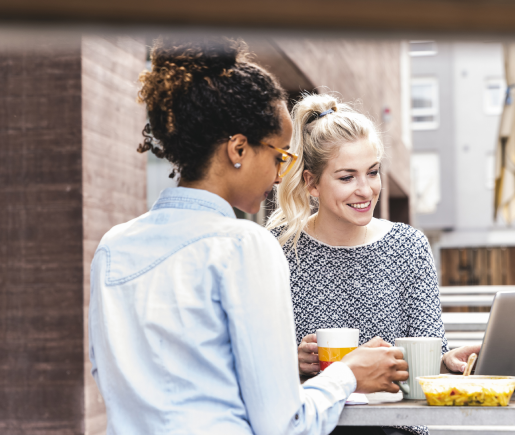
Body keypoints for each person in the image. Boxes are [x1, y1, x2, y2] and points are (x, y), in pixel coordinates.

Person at [88, 37, 409, 435]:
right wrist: (347, 373)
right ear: (238, 149)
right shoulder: (244, 245)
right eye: (279, 155)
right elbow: (284, 425)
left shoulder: (112, 247)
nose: (280, 175)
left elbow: (127, 378)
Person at [267, 94, 481, 435]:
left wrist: (447, 360)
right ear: (311, 183)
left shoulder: (408, 245)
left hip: (395, 428)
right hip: (314, 425)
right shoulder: (277, 248)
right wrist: (292, 362)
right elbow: (257, 363)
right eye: (347, 177)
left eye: (373, 172)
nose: (365, 190)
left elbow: (427, 354)